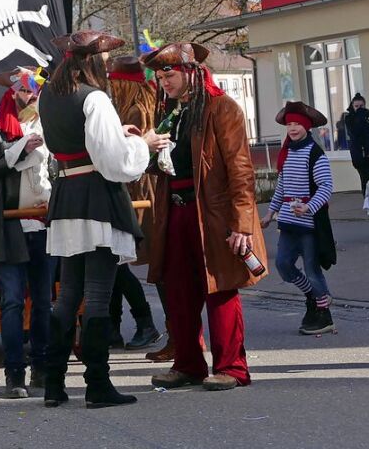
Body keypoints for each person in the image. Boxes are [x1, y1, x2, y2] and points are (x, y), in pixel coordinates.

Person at [39, 32, 168, 409]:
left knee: (67, 297)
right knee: (96, 295)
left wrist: (119, 135)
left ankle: (54, 384)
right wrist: (142, 143)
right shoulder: (94, 97)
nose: (109, 66)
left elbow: (81, 145)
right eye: (106, 61)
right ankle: (97, 385)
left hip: (66, 198)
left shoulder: (49, 94)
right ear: (94, 61)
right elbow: (116, 163)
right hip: (95, 197)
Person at [143, 42, 268, 392]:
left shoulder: (221, 108)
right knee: (180, 292)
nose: (163, 80)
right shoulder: (168, 111)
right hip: (176, 211)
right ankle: (187, 364)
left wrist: (242, 223)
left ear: (189, 72)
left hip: (214, 215)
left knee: (221, 289)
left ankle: (232, 367)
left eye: (169, 73)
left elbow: (241, 170)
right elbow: (165, 165)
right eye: (160, 75)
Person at [0, 65, 54, 398]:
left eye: (34, 90)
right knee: (12, 303)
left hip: (44, 222)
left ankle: (43, 369)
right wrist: (20, 149)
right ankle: (14, 374)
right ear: (12, 91)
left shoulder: (50, 121)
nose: (29, 95)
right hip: (9, 223)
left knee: (45, 302)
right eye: (23, 90)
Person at [261, 101, 335, 334]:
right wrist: (270, 213)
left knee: (312, 270)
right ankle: (314, 298)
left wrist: (309, 207)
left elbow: (326, 186)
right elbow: (281, 187)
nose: (292, 128)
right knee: (283, 264)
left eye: (297, 124)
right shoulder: (288, 153)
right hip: (288, 221)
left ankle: (324, 315)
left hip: (309, 224)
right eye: (289, 124)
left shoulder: (314, 153)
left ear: (306, 126)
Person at [105, 56, 164, 351]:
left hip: (136, 194)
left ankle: (145, 323)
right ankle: (113, 327)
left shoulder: (135, 109)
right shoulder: (139, 103)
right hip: (136, 192)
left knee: (116, 260)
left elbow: (131, 157)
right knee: (114, 260)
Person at [344, 94, 369, 195]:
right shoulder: (349, 118)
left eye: (361, 106)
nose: (359, 109)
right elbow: (355, 133)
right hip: (359, 156)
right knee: (365, 180)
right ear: (352, 106)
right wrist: (360, 117)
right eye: (356, 106)